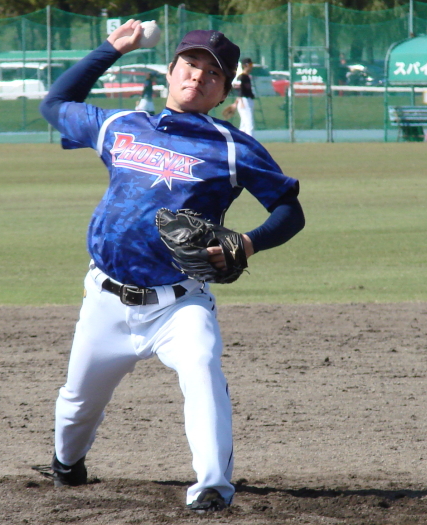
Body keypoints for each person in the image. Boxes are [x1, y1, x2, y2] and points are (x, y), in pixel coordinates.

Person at [37, 20, 305, 514]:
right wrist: (111, 49)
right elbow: (54, 105)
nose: (198, 76)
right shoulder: (121, 126)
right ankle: (67, 465)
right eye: (190, 64)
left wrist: (248, 243)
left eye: (212, 73)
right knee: (75, 405)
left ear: (224, 91)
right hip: (105, 300)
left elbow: (290, 210)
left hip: (179, 303)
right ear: (171, 70)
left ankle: (212, 486)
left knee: (202, 365)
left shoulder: (232, 148)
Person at [233, 57, 255, 136]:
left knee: (244, 126)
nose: (251, 66)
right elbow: (239, 90)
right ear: (245, 66)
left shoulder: (247, 77)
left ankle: (239, 141)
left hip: (248, 100)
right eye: (250, 64)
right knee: (249, 125)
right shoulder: (241, 77)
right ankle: (251, 142)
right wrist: (240, 102)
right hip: (244, 101)